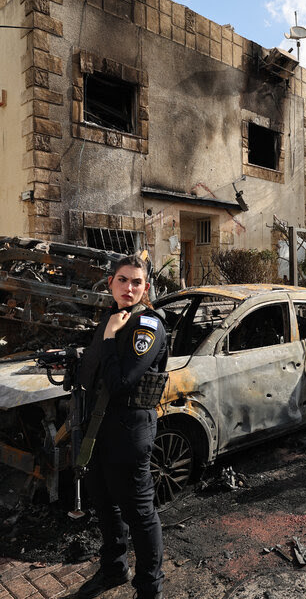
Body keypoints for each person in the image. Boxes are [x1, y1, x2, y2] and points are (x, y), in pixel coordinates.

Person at [76, 255, 168, 599]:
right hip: (99, 426)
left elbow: (121, 383)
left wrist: (113, 338)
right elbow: (95, 373)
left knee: (140, 513)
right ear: (111, 282)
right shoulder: (112, 318)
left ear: (145, 288)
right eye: (122, 280)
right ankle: (114, 566)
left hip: (129, 431)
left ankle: (149, 587)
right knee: (105, 502)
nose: (128, 287)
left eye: (136, 282)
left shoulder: (147, 326)